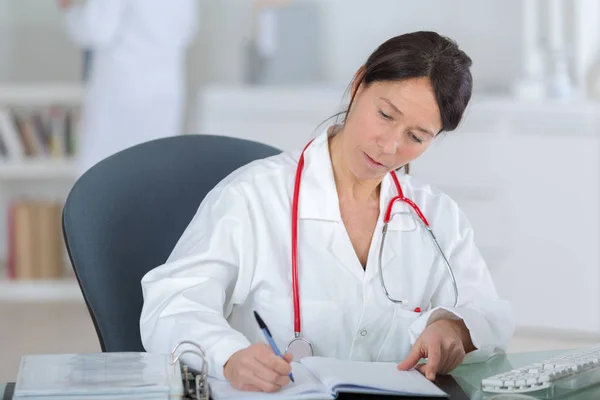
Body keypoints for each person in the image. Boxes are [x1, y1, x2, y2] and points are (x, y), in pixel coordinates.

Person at [139, 31, 514, 392]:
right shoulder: (253, 196)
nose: (389, 145)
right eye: (385, 114)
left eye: (416, 137)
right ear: (358, 84)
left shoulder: (435, 215)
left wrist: (454, 330)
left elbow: (489, 315)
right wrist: (228, 355)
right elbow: (172, 304)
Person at [56, 0, 198, 174]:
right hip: (166, 90)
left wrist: (70, 9)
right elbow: (188, 30)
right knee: (154, 171)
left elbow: (97, 30)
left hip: (121, 89)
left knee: (104, 173)